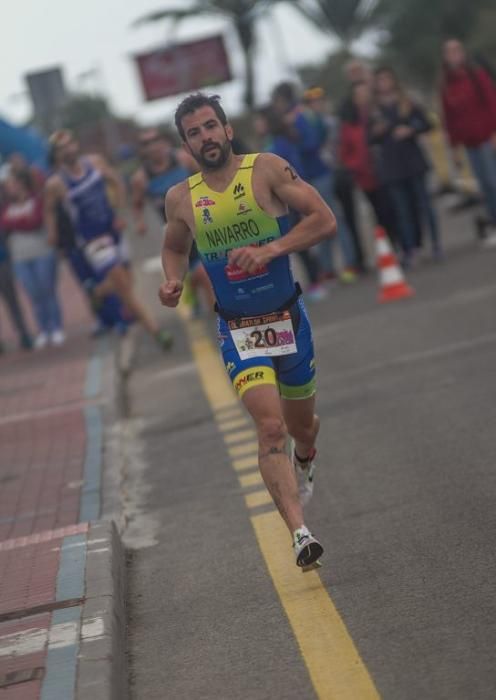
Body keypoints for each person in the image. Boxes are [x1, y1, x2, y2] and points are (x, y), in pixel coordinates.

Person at [159, 93, 336, 569]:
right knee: (270, 426)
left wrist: (273, 248)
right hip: (239, 329)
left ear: (228, 129)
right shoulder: (181, 198)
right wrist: (173, 279)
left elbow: (324, 219)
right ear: (186, 144)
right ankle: (300, 534)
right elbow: (174, 247)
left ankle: (308, 453)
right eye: (194, 132)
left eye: (211, 126)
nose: (206, 137)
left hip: (287, 318)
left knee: (300, 426)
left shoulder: (267, 170)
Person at [44, 130, 172, 349]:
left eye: (70, 144)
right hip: (92, 240)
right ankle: (156, 332)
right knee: (124, 287)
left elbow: (117, 182)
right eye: (61, 148)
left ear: (76, 145)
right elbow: (48, 210)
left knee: (128, 281)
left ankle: (97, 291)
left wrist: (121, 213)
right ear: (56, 155)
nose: (68, 149)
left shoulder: (95, 162)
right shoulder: (56, 183)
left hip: (114, 230)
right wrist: (52, 233)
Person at [272, 82, 358, 283]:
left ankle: (349, 263)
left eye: (277, 101)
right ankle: (327, 268)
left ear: (284, 100)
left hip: (320, 174)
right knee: (315, 221)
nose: (276, 106)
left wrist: (294, 137)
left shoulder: (301, 116)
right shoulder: (287, 120)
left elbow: (312, 143)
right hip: (304, 178)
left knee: (334, 218)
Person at [131, 127, 215, 314]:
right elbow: (136, 204)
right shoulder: (141, 178)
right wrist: (140, 222)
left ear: (164, 141)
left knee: (207, 270)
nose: (153, 146)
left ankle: (218, 314)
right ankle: (203, 304)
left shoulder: (183, 159)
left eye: (155, 140)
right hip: (176, 232)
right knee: (198, 273)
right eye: (147, 144)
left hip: (203, 221)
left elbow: (208, 178)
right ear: (143, 150)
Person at [369, 67, 442, 265]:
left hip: (414, 162)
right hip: (392, 168)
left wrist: (411, 129)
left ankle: (436, 245)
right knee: (403, 211)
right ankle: (411, 250)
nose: (384, 83)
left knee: (425, 206)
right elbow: (368, 139)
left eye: (387, 79)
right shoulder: (374, 109)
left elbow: (428, 123)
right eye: (380, 80)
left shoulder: (407, 102)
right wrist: (377, 132)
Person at [441, 38, 496, 245]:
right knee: (484, 184)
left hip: (486, 137)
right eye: (449, 52)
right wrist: (454, 147)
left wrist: (494, 133)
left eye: (457, 50)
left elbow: (492, 103)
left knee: (492, 181)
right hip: (469, 143)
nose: (454, 55)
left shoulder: (477, 76)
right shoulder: (447, 84)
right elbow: (450, 119)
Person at [1, 169, 64, 348]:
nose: (10, 189)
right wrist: (21, 221)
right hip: (21, 257)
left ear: (21, 184)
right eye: (7, 187)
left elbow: (34, 221)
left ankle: (56, 327)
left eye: (12, 185)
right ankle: (43, 329)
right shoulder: (6, 207)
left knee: (47, 290)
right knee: (33, 294)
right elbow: (5, 224)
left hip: (42, 253)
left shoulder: (36, 201)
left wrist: (16, 222)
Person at [339, 81, 398, 246]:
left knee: (394, 208)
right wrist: (357, 165)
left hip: (389, 169)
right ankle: (389, 245)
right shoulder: (350, 123)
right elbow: (345, 152)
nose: (363, 97)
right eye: (359, 94)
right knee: (379, 212)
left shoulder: (380, 114)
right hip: (366, 177)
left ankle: (402, 243)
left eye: (366, 93)